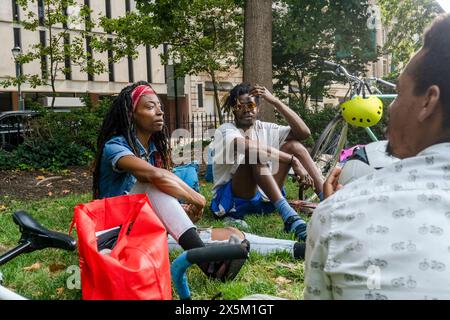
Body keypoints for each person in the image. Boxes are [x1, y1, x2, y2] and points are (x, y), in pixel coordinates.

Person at [304, 14, 450, 300]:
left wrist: (341, 212)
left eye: (397, 93)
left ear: (428, 102)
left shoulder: (338, 213)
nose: (391, 108)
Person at [92, 81, 246, 281]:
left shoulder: (153, 152)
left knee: (232, 235)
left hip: (141, 233)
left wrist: (182, 210)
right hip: (111, 239)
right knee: (152, 183)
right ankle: (208, 264)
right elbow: (155, 178)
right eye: (149, 107)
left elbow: (156, 195)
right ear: (131, 114)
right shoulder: (115, 146)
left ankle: (296, 248)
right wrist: (198, 199)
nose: (159, 112)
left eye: (160, 107)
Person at [211, 83, 324, 241]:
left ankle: (328, 200)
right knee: (254, 154)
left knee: (294, 146)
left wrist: (275, 101)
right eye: (240, 106)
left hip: (265, 198)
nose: (246, 110)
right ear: (233, 109)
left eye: (250, 105)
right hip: (234, 200)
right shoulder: (225, 129)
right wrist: (292, 161)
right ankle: (290, 218)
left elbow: (303, 133)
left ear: (258, 107)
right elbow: (248, 147)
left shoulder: (265, 128)